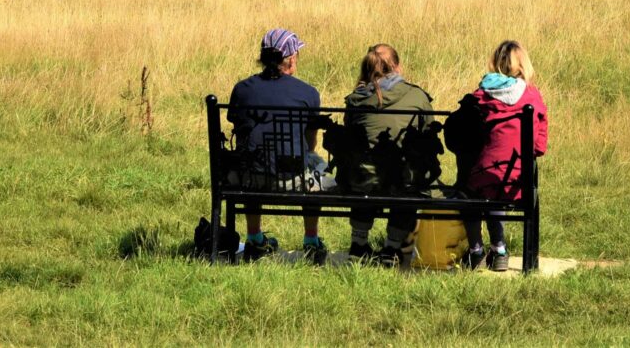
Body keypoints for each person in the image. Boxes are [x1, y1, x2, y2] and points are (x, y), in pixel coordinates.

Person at [226, 27, 329, 264]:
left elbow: (238, 127)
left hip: (248, 177)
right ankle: (311, 240)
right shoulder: (307, 92)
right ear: (291, 59)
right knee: (317, 168)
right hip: (291, 176)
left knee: (252, 159)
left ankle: (254, 237)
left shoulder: (242, 89)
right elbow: (311, 143)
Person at [446, 39, 548, 273]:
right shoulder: (532, 96)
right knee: (494, 183)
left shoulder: (481, 95)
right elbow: (540, 147)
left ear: (495, 63)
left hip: (483, 176)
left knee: (471, 185)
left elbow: (459, 138)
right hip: (517, 180)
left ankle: (475, 250)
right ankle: (499, 249)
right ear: (524, 65)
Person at [335, 43, 438, 268]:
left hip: (361, 179)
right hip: (403, 180)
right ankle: (391, 248)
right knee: (407, 173)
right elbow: (429, 134)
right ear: (397, 67)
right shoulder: (416, 96)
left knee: (365, 166)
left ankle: (358, 243)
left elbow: (350, 137)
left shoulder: (355, 99)